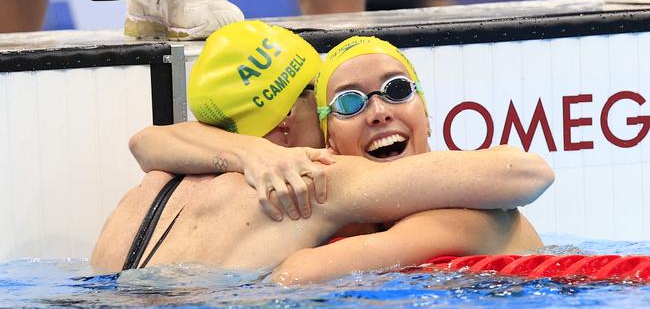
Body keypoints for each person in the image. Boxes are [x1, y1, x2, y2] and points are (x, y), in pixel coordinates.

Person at [96, 20, 554, 282]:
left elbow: (145, 140)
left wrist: (245, 151)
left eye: (396, 90)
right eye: (344, 102)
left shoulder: (155, 181)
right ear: (291, 126)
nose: (377, 111)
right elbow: (527, 174)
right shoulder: (312, 177)